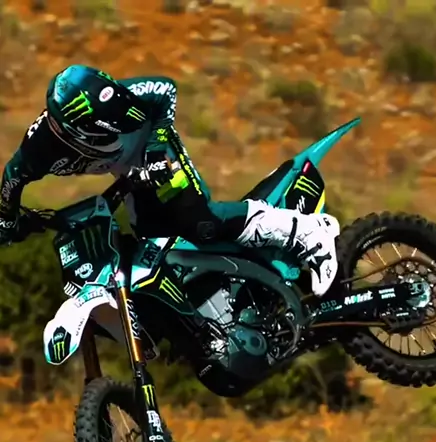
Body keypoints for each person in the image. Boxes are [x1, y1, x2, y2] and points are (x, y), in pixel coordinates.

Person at [0, 65, 340, 310]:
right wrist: (7, 220)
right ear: (80, 133)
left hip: (155, 148)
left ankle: (306, 231)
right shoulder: (38, 151)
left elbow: (166, 88)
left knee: (200, 222)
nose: (123, 117)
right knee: (154, 250)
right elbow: (11, 182)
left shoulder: (124, 95)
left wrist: (155, 148)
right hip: (127, 173)